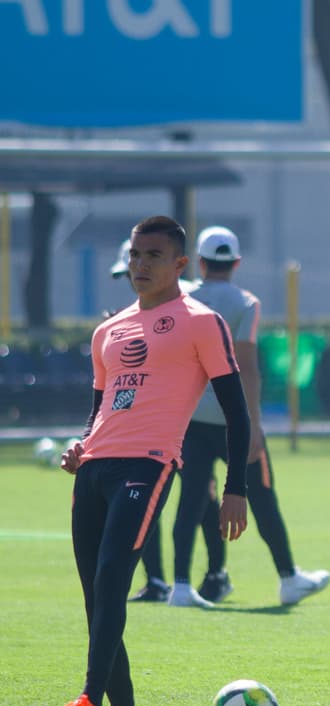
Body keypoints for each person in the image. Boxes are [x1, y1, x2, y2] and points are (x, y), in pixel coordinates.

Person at [59, 215, 250, 706]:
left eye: (154, 256)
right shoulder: (108, 330)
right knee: (99, 606)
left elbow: (236, 412)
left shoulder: (200, 321)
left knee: (114, 583)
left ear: (180, 265)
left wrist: (235, 487)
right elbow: (98, 412)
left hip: (148, 467)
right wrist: (81, 445)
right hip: (94, 471)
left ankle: (89, 703)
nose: (141, 265)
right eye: (136, 255)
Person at [168, 226, 330, 608]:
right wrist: (254, 425)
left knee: (190, 499)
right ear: (237, 263)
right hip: (232, 419)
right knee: (262, 498)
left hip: (189, 418)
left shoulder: (183, 298)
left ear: (201, 263)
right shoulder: (246, 302)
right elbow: (246, 366)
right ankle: (288, 576)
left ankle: (179, 584)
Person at [100, 238, 226, 604]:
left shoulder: (183, 309)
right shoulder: (131, 317)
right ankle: (157, 579)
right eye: (128, 269)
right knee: (145, 501)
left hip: (188, 424)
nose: (133, 276)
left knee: (201, 500)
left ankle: (214, 573)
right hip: (149, 432)